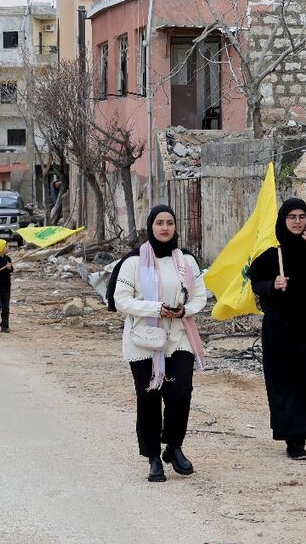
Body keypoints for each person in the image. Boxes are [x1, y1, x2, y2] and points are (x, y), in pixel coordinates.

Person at [108, 205, 207, 483]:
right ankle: (153, 457)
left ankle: (173, 446)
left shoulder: (186, 261)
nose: (165, 228)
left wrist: (183, 311)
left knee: (181, 392)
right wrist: (157, 308)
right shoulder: (133, 262)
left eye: (170, 223)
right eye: (160, 223)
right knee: (149, 397)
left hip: (179, 336)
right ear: (150, 227)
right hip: (144, 340)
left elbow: (200, 296)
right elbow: (121, 300)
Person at [247, 198, 306, 461]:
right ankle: (294, 439)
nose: (298, 221)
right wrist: (272, 285)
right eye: (292, 217)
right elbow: (255, 281)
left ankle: (303, 429)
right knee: (285, 382)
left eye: (302, 216)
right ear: (283, 220)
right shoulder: (272, 248)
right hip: (280, 327)